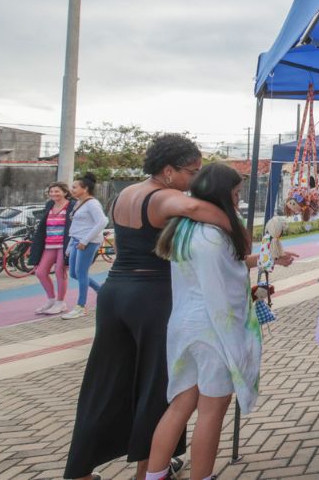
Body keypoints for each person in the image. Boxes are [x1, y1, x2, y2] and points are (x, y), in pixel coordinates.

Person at [65, 134, 242, 480]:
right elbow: (195, 209)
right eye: (192, 171)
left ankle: (79, 472)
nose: (195, 178)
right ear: (168, 170)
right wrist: (233, 226)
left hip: (115, 293)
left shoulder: (125, 194)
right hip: (151, 297)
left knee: (103, 383)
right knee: (157, 385)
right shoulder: (164, 197)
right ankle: (149, 469)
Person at [146, 164, 293, 480]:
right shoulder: (213, 235)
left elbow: (230, 265)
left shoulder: (183, 228)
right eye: (236, 194)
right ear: (222, 194)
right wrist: (249, 309)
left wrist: (268, 259)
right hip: (212, 330)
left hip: (184, 325)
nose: (239, 200)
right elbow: (225, 289)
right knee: (212, 410)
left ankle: (153, 475)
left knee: (180, 404)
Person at [63, 172, 106, 320]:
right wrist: (70, 245)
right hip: (77, 241)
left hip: (87, 243)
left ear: (85, 188)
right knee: (74, 274)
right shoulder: (79, 203)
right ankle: (101, 291)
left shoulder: (92, 204)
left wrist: (85, 241)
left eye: (75, 187)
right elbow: (76, 225)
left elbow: (102, 221)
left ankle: (81, 306)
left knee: (81, 273)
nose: (72, 189)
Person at [32, 181, 76, 316]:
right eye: (51, 191)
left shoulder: (72, 205)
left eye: (57, 191)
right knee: (40, 272)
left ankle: (60, 302)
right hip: (49, 244)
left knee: (59, 272)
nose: (53, 194)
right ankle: (51, 300)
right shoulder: (49, 205)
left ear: (65, 192)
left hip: (64, 245)